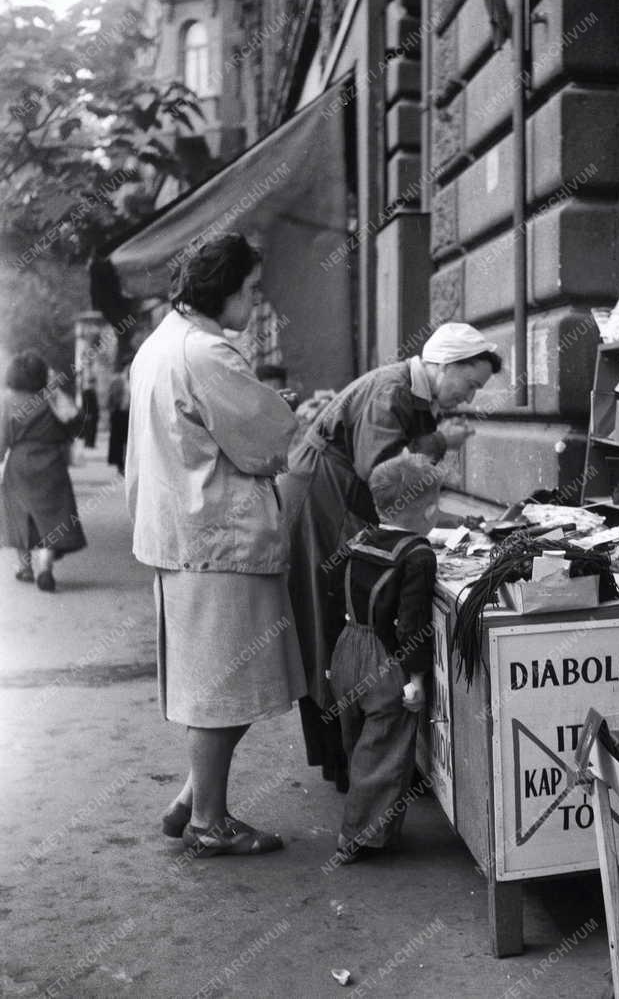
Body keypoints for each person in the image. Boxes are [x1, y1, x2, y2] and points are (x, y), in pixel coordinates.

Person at [126, 233, 305, 857]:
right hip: (216, 538)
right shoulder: (207, 353)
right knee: (224, 688)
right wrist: (291, 416)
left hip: (181, 533)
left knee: (222, 682)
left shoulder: (158, 345)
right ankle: (208, 819)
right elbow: (269, 443)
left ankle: (191, 799)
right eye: (252, 289)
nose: (256, 302)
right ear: (224, 287)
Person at [278, 321, 501, 790]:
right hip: (324, 501)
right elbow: (383, 472)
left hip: (335, 497)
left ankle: (358, 760)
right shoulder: (392, 389)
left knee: (343, 621)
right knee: (332, 626)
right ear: (445, 365)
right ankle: (347, 765)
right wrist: (444, 443)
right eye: (471, 383)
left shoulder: (412, 393)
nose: (471, 397)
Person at [329, 453, 440, 863]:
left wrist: (332, 660)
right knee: (384, 751)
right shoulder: (418, 555)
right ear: (429, 510)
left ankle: (363, 823)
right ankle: (357, 837)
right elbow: (411, 625)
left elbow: (333, 595)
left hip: (347, 648)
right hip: (384, 661)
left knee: (357, 742)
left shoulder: (358, 542)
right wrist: (417, 679)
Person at [0, 351, 86, 592]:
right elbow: (77, 424)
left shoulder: (6, 400)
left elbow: (2, 438)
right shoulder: (52, 398)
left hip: (19, 465)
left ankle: (25, 567)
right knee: (53, 518)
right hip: (52, 464)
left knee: (20, 515)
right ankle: (45, 568)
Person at [106, 359, 130, 475]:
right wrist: (111, 411)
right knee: (118, 441)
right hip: (118, 413)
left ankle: (127, 464)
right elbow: (110, 397)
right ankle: (120, 464)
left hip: (129, 414)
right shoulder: (117, 381)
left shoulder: (134, 380)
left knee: (129, 441)